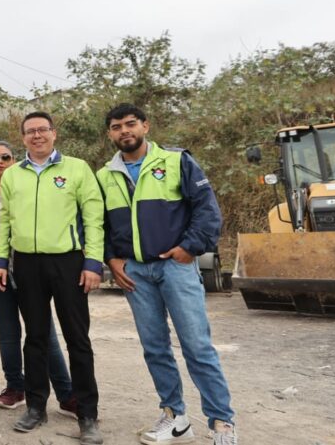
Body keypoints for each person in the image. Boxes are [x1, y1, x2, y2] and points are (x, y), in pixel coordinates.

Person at [97, 103, 237, 445]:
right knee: (155, 347)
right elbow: (97, 223)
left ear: (146, 125)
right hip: (135, 273)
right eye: (117, 126)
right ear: (110, 133)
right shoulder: (103, 175)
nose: (124, 131)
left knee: (196, 344)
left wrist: (189, 248)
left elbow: (206, 208)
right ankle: (174, 416)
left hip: (175, 267)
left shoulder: (176, 161)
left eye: (131, 124)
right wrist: (111, 259)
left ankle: (222, 422)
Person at [0, 111, 105, 445]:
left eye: (42, 130)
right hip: (27, 263)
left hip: (69, 263)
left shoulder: (77, 169)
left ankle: (87, 414)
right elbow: (7, 220)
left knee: (77, 338)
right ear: (23, 138)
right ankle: (36, 407)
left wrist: (93, 262)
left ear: (54, 134)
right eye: (30, 131)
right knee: (36, 338)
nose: (36, 136)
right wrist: (1, 260)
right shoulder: (13, 175)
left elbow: (94, 218)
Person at [0, 142, 77, 415]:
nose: (0, 162)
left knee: (45, 334)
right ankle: (15, 387)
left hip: (32, 272)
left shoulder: (27, 189)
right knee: (8, 334)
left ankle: (67, 394)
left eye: (5, 157)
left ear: (14, 160)